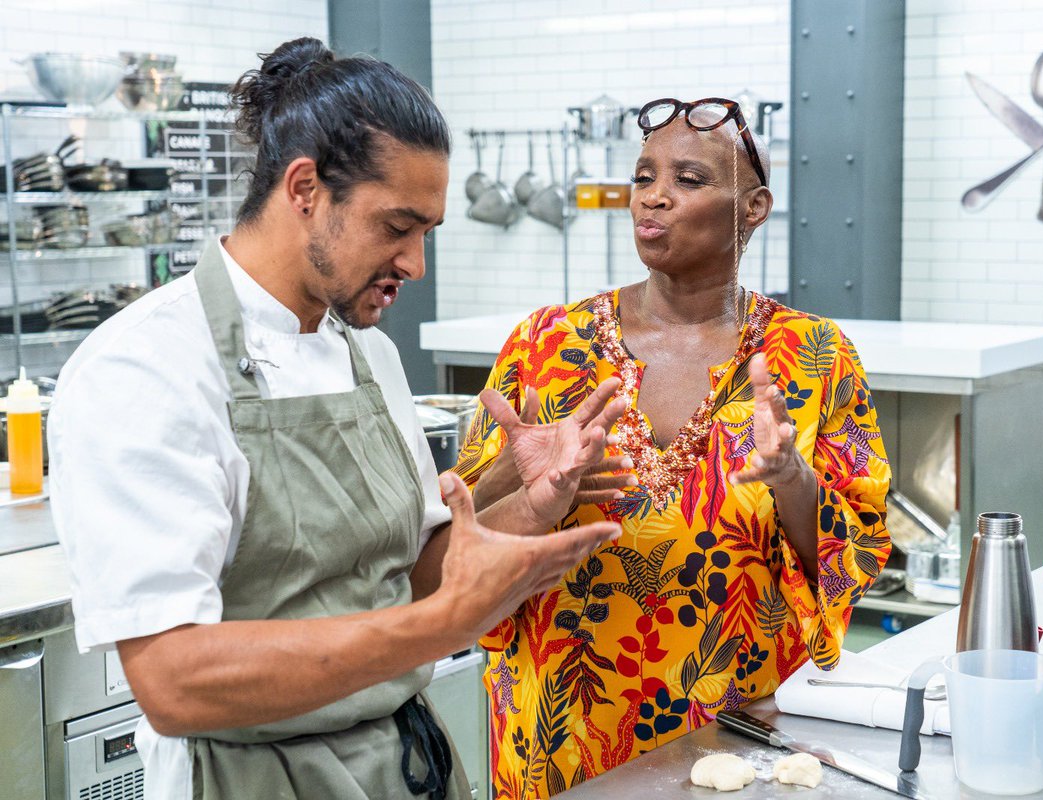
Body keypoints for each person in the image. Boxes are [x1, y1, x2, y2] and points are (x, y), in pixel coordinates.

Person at [48, 38, 627, 800]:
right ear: (304, 189)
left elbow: (407, 577)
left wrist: (529, 504)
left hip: (403, 763)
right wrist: (441, 628)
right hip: (247, 778)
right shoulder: (146, 367)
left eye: (427, 233)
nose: (416, 264)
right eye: (397, 227)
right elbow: (173, 679)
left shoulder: (367, 356)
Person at [454, 98, 893, 798]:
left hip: (736, 737)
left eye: (690, 179)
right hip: (562, 733)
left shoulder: (813, 357)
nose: (654, 196)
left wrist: (791, 479)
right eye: (644, 176)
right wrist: (512, 477)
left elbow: (854, 555)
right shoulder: (547, 346)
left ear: (753, 208)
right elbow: (457, 541)